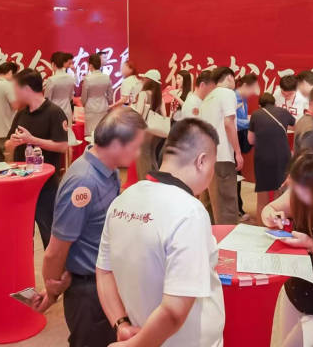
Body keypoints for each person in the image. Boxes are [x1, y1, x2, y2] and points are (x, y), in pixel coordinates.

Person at [96, 118, 225, 347]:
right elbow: (174, 311)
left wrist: (121, 324)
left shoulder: (122, 200)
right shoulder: (190, 211)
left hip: (139, 335)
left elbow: (104, 271)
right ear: (202, 161)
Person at [31, 108, 147, 347]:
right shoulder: (83, 182)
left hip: (106, 279)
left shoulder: (109, 170)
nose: (138, 154)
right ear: (117, 143)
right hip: (88, 291)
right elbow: (55, 250)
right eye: (135, 147)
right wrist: (52, 290)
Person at [261, 152, 313, 347]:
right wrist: (273, 217)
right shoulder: (297, 195)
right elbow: (268, 210)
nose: (297, 195)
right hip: (295, 290)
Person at [6, 69, 69, 248]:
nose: (15, 94)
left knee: (49, 232)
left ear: (26, 89)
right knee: (22, 235)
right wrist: (12, 143)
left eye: (16, 89)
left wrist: (32, 140)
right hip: (21, 182)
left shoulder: (54, 112)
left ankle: (53, 266)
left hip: (45, 185)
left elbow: (62, 146)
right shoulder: (21, 114)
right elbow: (8, 144)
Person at [200, 67, 243, 224]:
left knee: (210, 204)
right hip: (223, 156)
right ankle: (227, 238)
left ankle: (211, 236)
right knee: (226, 206)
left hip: (208, 156)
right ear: (230, 77)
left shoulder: (208, 98)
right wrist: (237, 152)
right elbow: (229, 123)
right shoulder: (227, 93)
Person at [248, 93, 295, 217]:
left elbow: (250, 140)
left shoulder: (256, 114)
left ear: (260, 105)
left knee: (262, 196)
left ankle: (260, 224)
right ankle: (278, 222)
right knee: (279, 192)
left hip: (263, 158)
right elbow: (297, 126)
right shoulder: (284, 112)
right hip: (283, 156)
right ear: (275, 103)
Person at [133, 69, 168, 179]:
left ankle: (145, 181)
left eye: (145, 79)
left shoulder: (143, 94)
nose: (143, 80)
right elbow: (164, 115)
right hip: (157, 131)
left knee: (143, 157)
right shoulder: (159, 97)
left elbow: (139, 113)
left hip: (145, 130)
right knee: (152, 155)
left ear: (149, 81)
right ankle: (155, 180)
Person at [234, 73, 259, 218]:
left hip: (239, 138)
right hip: (231, 140)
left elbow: (241, 119)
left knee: (237, 175)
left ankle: (238, 207)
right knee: (234, 175)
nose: (253, 92)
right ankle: (237, 208)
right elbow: (233, 121)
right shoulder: (233, 98)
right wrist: (252, 122)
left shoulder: (243, 100)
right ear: (244, 86)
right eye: (252, 89)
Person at [81, 53, 113, 137]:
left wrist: (84, 105)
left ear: (90, 65)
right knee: (102, 133)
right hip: (103, 107)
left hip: (90, 108)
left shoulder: (87, 79)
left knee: (90, 134)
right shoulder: (107, 77)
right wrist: (107, 103)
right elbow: (110, 97)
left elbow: (84, 98)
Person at [45, 51, 76, 123]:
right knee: (68, 129)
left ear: (53, 64)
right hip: (67, 110)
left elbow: (47, 99)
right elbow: (70, 97)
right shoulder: (71, 78)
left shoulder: (51, 80)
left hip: (54, 112)